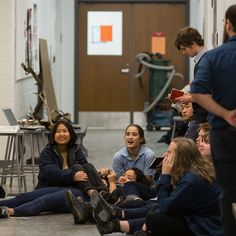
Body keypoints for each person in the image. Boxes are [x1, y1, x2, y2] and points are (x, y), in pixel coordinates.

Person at [90, 137, 222, 236]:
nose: (165, 155)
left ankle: (116, 220)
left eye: (169, 152)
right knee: (154, 212)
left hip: (204, 227)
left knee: (155, 216)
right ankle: (116, 222)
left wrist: (165, 175)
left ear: (180, 157)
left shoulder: (191, 179)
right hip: (197, 217)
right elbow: (169, 200)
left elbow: (165, 205)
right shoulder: (194, 170)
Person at [190, 4, 236, 236]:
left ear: (227, 24)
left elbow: (197, 92)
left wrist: (224, 113)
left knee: (227, 191)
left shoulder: (215, 56)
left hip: (225, 132)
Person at [0, 120, 105, 218]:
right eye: (58, 131)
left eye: (65, 131)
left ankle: (9, 211)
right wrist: (73, 176)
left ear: (71, 134)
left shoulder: (77, 150)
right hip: (52, 186)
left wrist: (97, 176)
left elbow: (85, 171)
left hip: (75, 190)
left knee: (44, 201)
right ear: (53, 135)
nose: (61, 134)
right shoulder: (47, 152)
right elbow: (52, 174)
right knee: (23, 198)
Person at [65, 167, 157, 224]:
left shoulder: (128, 187)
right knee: (85, 166)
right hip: (108, 199)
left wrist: (112, 182)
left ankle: (86, 210)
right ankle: (85, 211)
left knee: (128, 186)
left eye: (129, 178)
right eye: (124, 175)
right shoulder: (114, 183)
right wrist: (101, 175)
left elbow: (114, 197)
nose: (124, 178)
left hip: (123, 201)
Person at [173, 26, 209, 140]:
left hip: (202, 116)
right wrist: (183, 94)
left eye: (184, 49)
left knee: (186, 151)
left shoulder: (205, 63)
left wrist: (188, 99)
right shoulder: (202, 62)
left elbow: (209, 94)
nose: (183, 53)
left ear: (193, 44)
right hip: (200, 115)